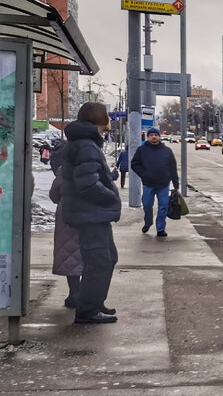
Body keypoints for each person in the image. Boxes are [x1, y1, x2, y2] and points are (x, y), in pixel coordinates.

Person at [59, 102, 121, 324]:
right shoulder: (86, 145)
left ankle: (94, 302)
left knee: (108, 258)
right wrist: (111, 196)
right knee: (99, 261)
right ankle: (87, 311)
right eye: (107, 115)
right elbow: (87, 184)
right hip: (90, 214)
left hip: (93, 214)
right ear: (99, 118)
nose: (110, 119)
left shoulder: (86, 143)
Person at [48, 143, 83, 310]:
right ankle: (83, 293)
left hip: (66, 216)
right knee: (86, 253)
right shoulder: (91, 168)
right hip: (87, 215)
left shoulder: (64, 170)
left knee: (70, 255)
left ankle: (74, 292)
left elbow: (53, 194)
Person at [131, 127, 179, 237]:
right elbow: (134, 164)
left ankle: (160, 228)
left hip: (163, 184)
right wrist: (143, 174)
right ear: (148, 137)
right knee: (147, 205)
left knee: (163, 206)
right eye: (151, 135)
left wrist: (176, 184)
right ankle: (148, 222)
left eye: (156, 135)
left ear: (159, 137)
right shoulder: (142, 150)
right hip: (148, 183)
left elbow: (173, 168)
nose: (154, 137)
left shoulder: (167, 151)